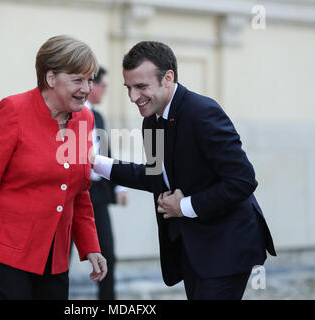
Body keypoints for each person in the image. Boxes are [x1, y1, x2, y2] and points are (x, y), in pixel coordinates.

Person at [92, 41, 276, 300]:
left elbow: (242, 181)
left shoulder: (203, 112)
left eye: (141, 87)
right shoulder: (150, 121)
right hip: (194, 247)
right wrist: (95, 162)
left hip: (227, 244)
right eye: (128, 88)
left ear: (168, 78)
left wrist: (185, 206)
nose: (133, 97)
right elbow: (155, 175)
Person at [0, 35, 107, 300]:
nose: (87, 88)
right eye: (78, 80)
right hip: (2, 255)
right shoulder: (12, 111)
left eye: (90, 79)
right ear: (51, 78)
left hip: (55, 258)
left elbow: (78, 191)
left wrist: (91, 246)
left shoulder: (85, 118)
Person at [85, 67, 128, 300]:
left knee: (107, 252)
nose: (105, 90)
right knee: (60, 256)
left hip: (97, 193)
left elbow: (105, 152)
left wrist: (118, 185)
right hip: (71, 194)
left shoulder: (98, 116)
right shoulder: (67, 114)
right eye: (104, 85)